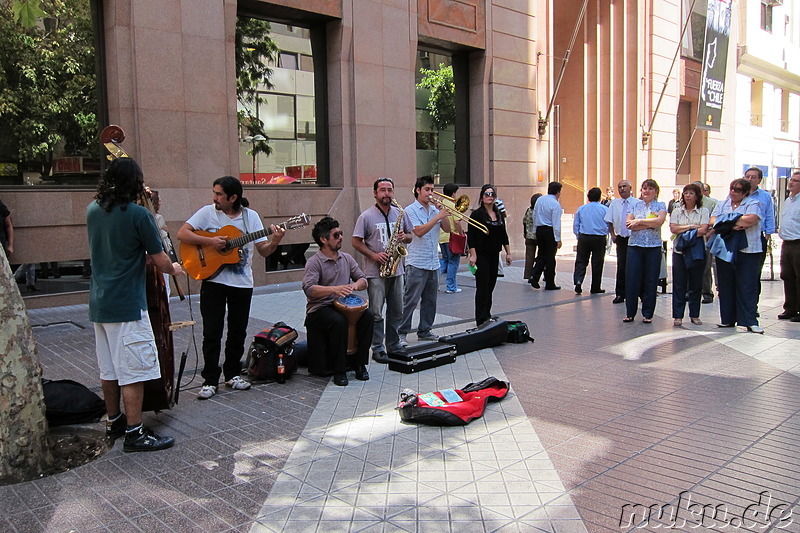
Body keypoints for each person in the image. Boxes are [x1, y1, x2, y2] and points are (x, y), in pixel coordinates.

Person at [86, 157, 182, 452]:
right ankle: (135, 432)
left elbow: (121, 251)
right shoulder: (138, 214)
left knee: (109, 369)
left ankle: (114, 421)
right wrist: (176, 268)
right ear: (136, 183)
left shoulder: (93, 210)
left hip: (100, 303)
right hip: (128, 304)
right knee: (133, 371)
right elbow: (160, 260)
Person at [177, 176, 285, 399]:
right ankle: (210, 380)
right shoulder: (208, 212)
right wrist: (210, 242)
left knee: (238, 331)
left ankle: (233, 374)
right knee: (212, 332)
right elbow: (182, 233)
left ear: (233, 197)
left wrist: (274, 241)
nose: (214, 197)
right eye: (214, 192)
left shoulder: (250, 216)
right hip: (213, 282)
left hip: (242, 284)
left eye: (219, 194)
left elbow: (263, 250)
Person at [303, 217, 372, 386]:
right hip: (320, 308)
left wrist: (355, 285)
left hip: (343, 305)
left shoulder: (346, 258)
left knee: (368, 316)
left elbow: (363, 280)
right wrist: (335, 289)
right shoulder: (314, 262)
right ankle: (339, 370)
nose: (341, 237)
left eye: (341, 233)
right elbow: (309, 289)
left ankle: (360, 364)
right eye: (336, 235)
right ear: (323, 239)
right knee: (338, 321)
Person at [352, 177, 412, 363]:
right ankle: (377, 347)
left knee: (397, 310)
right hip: (375, 272)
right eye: (383, 190)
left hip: (398, 270)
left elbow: (410, 236)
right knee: (376, 312)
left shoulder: (399, 213)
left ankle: (393, 344)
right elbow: (355, 242)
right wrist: (374, 255)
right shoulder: (366, 216)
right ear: (375, 193)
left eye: (389, 190)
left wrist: (405, 237)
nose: (387, 193)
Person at [398, 176, 451, 346]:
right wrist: (437, 217)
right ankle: (401, 332)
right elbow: (419, 231)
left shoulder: (436, 210)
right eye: (427, 189)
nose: (430, 193)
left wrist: (443, 214)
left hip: (433, 262)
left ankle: (425, 330)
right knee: (410, 300)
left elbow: (448, 229)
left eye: (432, 190)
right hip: (416, 262)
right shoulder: (410, 210)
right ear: (418, 190)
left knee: (430, 300)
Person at [709, 178, 764, 333]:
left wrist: (726, 222)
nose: (733, 192)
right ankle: (727, 319)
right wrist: (733, 224)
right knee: (725, 285)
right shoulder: (723, 204)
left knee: (747, 285)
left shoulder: (753, 203)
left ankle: (750, 321)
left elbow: (750, 220)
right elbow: (713, 220)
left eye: (738, 190)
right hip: (725, 250)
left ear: (745, 192)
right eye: (732, 188)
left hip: (748, 251)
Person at [623, 179, 667, 323]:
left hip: (653, 247)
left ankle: (648, 314)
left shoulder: (660, 205)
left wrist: (639, 221)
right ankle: (630, 312)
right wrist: (648, 224)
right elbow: (629, 225)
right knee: (632, 279)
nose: (647, 191)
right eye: (644, 188)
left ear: (656, 191)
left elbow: (659, 222)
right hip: (635, 246)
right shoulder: (635, 205)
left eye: (650, 188)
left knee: (650, 280)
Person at [467, 185, 511, 325]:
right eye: (487, 194)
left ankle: (487, 314)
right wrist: (473, 255)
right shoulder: (476, 214)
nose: (489, 196)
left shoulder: (498, 214)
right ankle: (481, 318)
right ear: (482, 197)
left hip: (494, 254)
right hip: (481, 254)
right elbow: (471, 237)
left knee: (491, 284)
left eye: (492, 194)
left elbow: (503, 234)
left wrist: (508, 252)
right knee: (483, 286)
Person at [669, 183, 710, 326]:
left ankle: (694, 314)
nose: (687, 195)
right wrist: (692, 227)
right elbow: (673, 228)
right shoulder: (676, 211)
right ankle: (678, 316)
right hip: (679, 251)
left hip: (697, 251)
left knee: (695, 283)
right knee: (679, 284)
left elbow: (703, 230)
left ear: (697, 195)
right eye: (685, 193)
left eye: (691, 193)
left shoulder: (703, 211)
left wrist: (684, 231)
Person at [744, 167, 776, 304]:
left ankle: (753, 305)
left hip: (758, 237)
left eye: (753, 177)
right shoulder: (738, 193)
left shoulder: (765, 196)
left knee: (755, 273)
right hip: (740, 236)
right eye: (747, 176)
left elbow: (769, 215)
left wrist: (768, 235)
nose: (750, 179)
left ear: (759, 180)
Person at [572, 187, 609, 295]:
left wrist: (578, 235)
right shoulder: (604, 209)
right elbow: (609, 224)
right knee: (597, 262)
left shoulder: (581, 208)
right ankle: (595, 286)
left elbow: (576, 224)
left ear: (588, 197)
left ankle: (578, 281)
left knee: (581, 261)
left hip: (584, 237)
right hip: (599, 238)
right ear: (599, 196)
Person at [529, 181, 563, 290]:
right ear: (558, 192)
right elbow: (556, 223)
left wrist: (535, 230)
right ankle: (549, 282)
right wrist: (558, 238)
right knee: (550, 257)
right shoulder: (555, 204)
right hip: (549, 231)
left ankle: (534, 275)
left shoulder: (540, 200)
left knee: (541, 254)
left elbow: (534, 215)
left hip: (539, 230)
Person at [605, 180, 633, 304]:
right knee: (621, 266)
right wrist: (613, 235)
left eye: (624, 186)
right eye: (620, 187)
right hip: (621, 239)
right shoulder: (614, 204)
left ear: (630, 188)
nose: (622, 189)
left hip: (634, 238)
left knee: (635, 266)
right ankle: (620, 294)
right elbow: (609, 220)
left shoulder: (638, 203)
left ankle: (638, 293)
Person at [777, 171, 800, 322]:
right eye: (791, 179)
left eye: (796, 181)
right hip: (786, 242)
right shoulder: (788, 200)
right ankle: (790, 308)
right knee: (787, 276)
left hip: (798, 242)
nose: (791, 183)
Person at [437, 183, 464, 294]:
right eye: (456, 193)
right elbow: (457, 222)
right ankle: (451, 287)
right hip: (451, 237)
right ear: (453, 193)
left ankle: (434, 284)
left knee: (444, 260)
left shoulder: (440, 203)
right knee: (453, 261)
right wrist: (461, 234)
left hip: (441, 237)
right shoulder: (453, 205)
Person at [699, 182, 719, 304]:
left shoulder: (712, 203)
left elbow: (715, 220)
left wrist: (709, 232)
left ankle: (707, 293)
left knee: (706, 267)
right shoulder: (685, 202)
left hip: (707, 237)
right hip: (691, 237)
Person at [523, 194, 542, 281]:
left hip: (529, 236)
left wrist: (525, 233)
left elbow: (524, 222)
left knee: (529, 257)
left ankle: (528, 274)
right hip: (538, 236)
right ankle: (542, 273)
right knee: (542, 256)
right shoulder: (540, 211)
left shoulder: (528, 210)